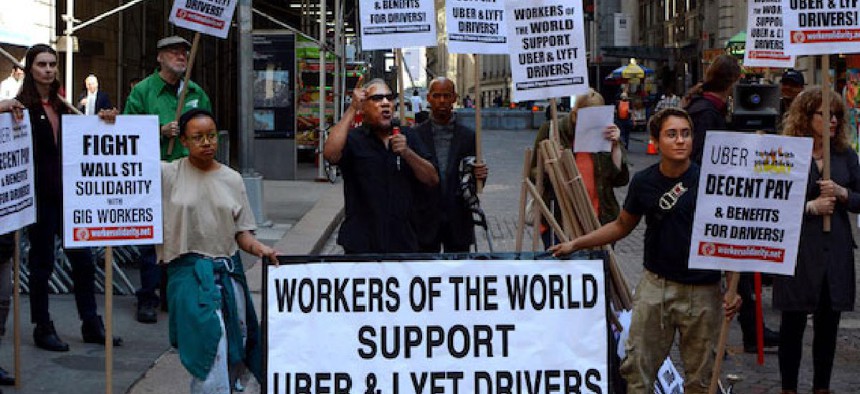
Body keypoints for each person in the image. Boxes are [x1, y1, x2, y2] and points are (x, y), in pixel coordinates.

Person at [549, 108, 741, 393]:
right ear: (656, 140)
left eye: (686, 134)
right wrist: (575, 243)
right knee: (637, 368)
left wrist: (732, 288)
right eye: (672, 134)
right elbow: (621, 225)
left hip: (703, 291)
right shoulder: (644, 182)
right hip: (656, 286)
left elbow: (730, 237)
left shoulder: (710, 182)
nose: (680, 141)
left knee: (700, 378)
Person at [5, 44, 121, 352]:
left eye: (53, 64)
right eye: (42, 64)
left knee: (83, 261)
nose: (48, 69)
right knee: (41, 264)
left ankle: (91, 323)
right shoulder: (22, 107)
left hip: (70, 196)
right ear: (30, 69)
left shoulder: (63, 106)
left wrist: (105, 120)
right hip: (40, 198)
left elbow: (88, 137)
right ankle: (42, 327)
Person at [162, 108, 275, 393]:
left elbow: (242, 233)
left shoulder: (232, 179)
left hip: (228, 274)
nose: (207, 143)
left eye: (211, 135)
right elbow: (126, 158)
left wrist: (260, 248)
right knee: (210, 345)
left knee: (237, 343)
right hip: (188, 276)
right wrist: (107, 121)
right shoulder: (168, 174)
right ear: (184, 141)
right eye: (197, 137)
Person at [684, 54, 778, 352]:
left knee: (743, 270)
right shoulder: (705, 113)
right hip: (710, 205)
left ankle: (752, 331)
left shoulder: (713, 110)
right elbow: (700, 160)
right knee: (715, 274)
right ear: (733, 81)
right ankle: (712, 339)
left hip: (718, 202)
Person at [775, 88, 859, 394]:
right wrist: (810, 207)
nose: (834, 120)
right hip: (797, 249)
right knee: (792, 323)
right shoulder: (786, 153)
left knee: (828, 324)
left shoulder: (845, 155)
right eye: (826, 114)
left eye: (837, 114)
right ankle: (788, 387)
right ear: (807, 116)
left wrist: (843, 193)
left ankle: (821, 387)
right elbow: (772, 201)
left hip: (834, 249)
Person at [124, 35, 212, 323]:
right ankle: (148, 296)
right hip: (154, 174)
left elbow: (209, 130)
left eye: (185, 52)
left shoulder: (195, 91)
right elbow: (126, 133)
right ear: (159, 57)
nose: (181, 56)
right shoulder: (143, 92)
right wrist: (158, 131)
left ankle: (173, 294)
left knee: (185, 236)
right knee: (153, 238)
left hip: (189, 173)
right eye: (174, 52)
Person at [323, 78, 439, 254]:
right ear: (364, 106)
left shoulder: (408, 136)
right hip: (362, 244)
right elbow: (330, 154)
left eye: (389, 98)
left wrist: (407, 153)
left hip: (403, 243)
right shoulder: (354, 139)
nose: (385, 103)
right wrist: (352, 109)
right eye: (377, 98)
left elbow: (432, 179)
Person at [530, 88, 629, 247]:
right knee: (563, 269)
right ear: (576, 115)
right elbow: (533, 173)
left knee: (599, 270)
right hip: (560, 221)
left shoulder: (606, 134)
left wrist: (616, 147)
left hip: (600, 222)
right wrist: (553, 165)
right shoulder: (552, 131)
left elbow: (620, 180)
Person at [411, 77, 488, 253]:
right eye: (437, 96)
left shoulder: (468, 136)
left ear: (454, 98)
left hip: (458, 220)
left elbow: (473, 183)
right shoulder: (415, 136)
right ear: (429, 98)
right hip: (425, 221)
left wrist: (481, 176)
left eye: (446, 95)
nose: (442, 101)